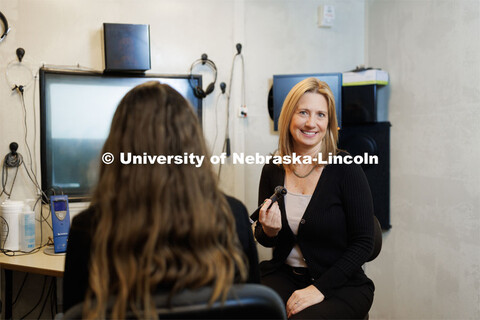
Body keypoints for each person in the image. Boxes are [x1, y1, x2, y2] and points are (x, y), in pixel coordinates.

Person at [63, 81, 259, 318]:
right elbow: (253, 310)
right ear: (193, 146)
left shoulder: (89, 227)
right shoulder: (233, 215)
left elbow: (74, 313)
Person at [255, 77, 375, 319]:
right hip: (284, 274)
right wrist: (268, 230)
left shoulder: (346, 168)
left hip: (341, 284)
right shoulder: (273, 168)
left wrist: (318, 289)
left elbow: (364, 243)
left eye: (320, 115)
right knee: (245, 309)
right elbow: (264, 239)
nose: (311, 123)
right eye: (303, 112)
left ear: (329, 123)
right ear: (289, 116)